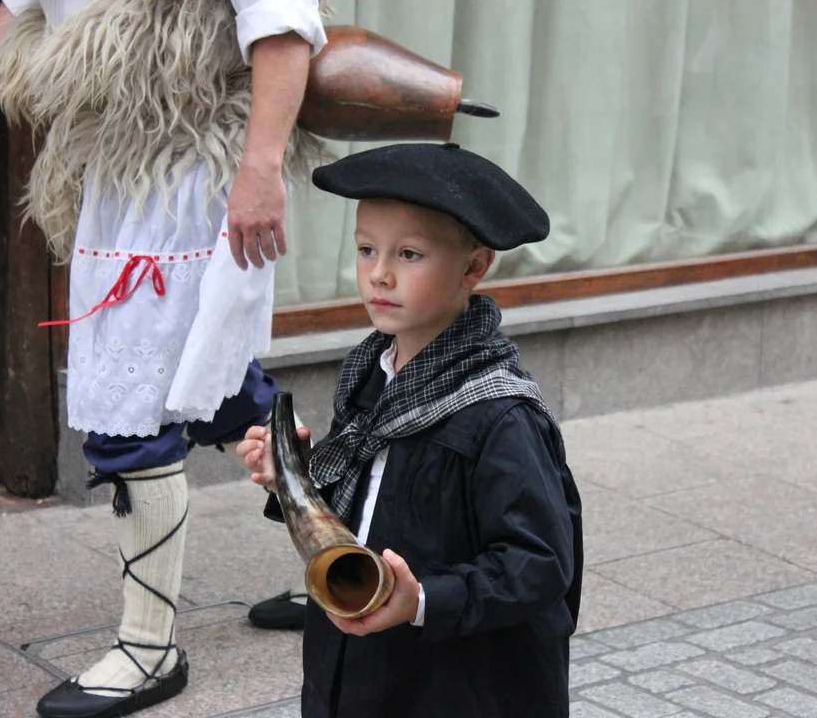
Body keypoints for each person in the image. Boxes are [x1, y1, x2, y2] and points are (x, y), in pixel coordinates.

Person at [0, 0, 328, 716]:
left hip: (193, 166)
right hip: (116, 165)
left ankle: (149, 649)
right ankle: (345, 558)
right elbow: (29, 4)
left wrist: (260, 172)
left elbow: (281, 19)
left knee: (134, 413)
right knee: (222, 391)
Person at [237, 142, 585, 718]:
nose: (379, 274)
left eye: (409, 254)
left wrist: (420, 599)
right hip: (354, 667)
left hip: (453, 685)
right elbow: (365, 514)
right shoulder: (371, 377)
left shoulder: (499, 415)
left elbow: (540, 563)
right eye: (366, 249)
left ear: (473, 268)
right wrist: (293, 478)